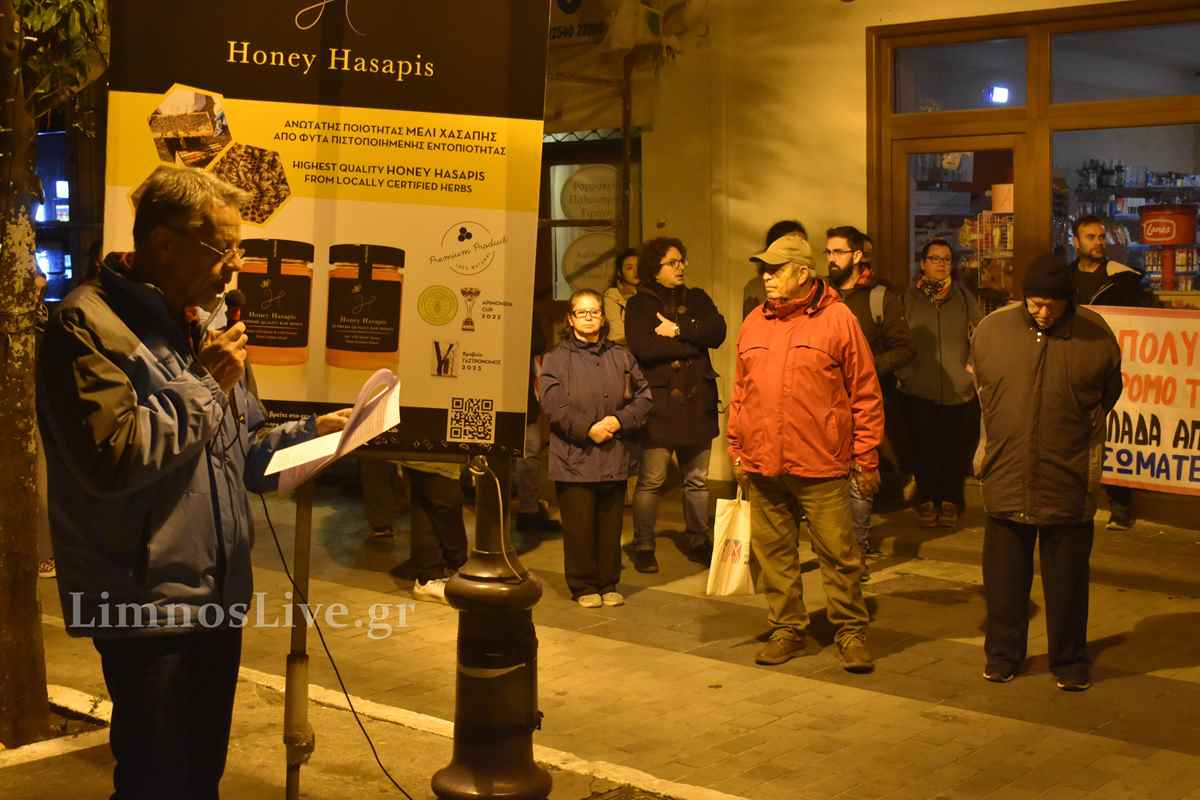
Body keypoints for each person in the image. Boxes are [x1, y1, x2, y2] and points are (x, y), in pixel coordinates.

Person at [37, 164, 351, 799]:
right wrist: (206, 382)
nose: (235, 264)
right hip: (143, 603)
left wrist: (325, 434)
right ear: (163, 243)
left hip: (215, 597)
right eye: (222, 247)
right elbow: (113, 459)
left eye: (238, 247)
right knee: (157, 782)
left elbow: (246, 454)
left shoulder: (204, 324)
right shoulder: (85, 326)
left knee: (200, 779)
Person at [728, 233, 883, 673]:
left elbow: (865, 393)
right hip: (762, 462)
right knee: (774, 553)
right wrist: (736, 448)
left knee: (839, 554)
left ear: (802, 273)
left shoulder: (839, 320)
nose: (766, 277)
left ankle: (850, 631)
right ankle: (786, 629)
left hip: (820, 461)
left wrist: (866, 457)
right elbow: (741, 391)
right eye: (764, 269)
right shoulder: (755, 321)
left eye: (775, 270)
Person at [971, 254, 1122, 691]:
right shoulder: (993, 330)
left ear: (1067, 302)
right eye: (1034, 304)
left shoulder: (1095, 336)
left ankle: (1070, 661)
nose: (1042, 313)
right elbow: (981, 386)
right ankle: (1003, 657)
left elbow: (1109, 391)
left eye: (1051, 306)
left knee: (1068, 586)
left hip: (1069, 478)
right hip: (1006, 474)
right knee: (1003, 585)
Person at [539, 289, 652, 607]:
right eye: (582, 312)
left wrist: (617, 422)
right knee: (579, 527)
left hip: (613, 453)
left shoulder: (621, 355)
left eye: (595, 312)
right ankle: (583, 585)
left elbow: (644, 396)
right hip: (574, 456)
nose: (590, 317)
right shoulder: (556, 358)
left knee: (610, 525)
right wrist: (588, 428)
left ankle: (608, 580)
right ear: (571, 318)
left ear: (603, 317)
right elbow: (552, 403)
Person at [624, 236, 727, 572]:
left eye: (682, 260)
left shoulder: (696, 298)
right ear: (656, 268)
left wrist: (678, 329)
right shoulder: (640, 305)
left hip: (698, 403)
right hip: (660, 405)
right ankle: (643, 544)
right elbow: (645, 347)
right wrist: (690, 343)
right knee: (651, 479)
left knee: (697, 479)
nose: (681, 267)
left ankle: (699, 537)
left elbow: (717, 331)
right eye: (673, 262)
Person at [825, 226, 915, 578]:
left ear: (858, 255)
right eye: (828, 252)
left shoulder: (879, 299)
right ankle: (837, 547)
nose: (832, 259)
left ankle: (856, 552)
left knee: (860, 480)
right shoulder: (820, 296)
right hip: (824, 403)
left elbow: (906, 348)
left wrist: (866, 367)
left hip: (865, 402)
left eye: (839, 252)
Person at [1069, 215, 1154, 531]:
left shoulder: (1124, 280)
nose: (1097, 243)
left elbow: (1144, 319)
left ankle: (1120, 504)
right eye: (1090, 237)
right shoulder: (1065, 280)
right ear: (1076, 242)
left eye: (1101, 237)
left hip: (1112, 364)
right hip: (1073, 365)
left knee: (1118, 430)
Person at [895, 239, 982, 529]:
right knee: (924, 447)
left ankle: (950, 500)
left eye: (946, 259)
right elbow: (897, 338)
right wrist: (906, 373)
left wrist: (969, 368)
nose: (941, 264)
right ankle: (926, 498)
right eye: (934, 258)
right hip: (920, 386)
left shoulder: (962, 296)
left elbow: (980, 333)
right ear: (923, 264)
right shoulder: (909, 298)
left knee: (954, 449)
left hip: (957, 388)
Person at [513, 315, 561, 551]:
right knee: (528, 452)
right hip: (509, 385)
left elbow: (537, 344)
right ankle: (525, 508)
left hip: (522, 389)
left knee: (530, 452)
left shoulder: (527, 310)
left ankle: (528, 508)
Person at [743, 219, 807, 318]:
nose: (767, 277)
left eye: (803, 243)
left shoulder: (822, 290)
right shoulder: (755, 288)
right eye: (790, 244)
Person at [603, 247, 640, 344]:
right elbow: (617, 336)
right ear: (620, 272)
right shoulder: (612, 296)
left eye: (639, 267)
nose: (636, 272)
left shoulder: (653, 293)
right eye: (629, 268)